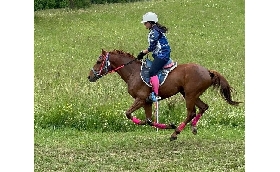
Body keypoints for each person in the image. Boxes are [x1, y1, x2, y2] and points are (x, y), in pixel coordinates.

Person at [137, 12, 172, 102]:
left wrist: (142, 53)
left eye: (145, 23)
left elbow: (151, 47)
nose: (144, 24)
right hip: (160, 54)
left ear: (151, 22)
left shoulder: (154, 32)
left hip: (162, 55)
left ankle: (155, 94)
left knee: (152, 71)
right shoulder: (155, 30)